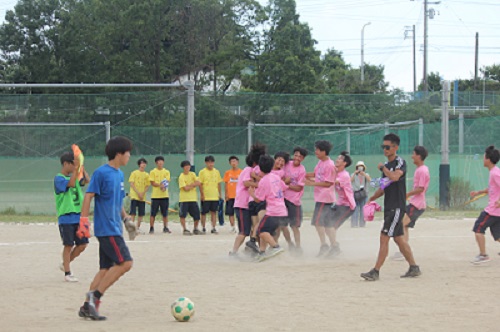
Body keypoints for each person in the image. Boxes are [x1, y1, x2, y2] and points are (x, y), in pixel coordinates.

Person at [77, 136, 134, 320]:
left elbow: (117, 202)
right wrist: (84, 222)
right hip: (106, 228)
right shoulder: (101, 173)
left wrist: (126, 220)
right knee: (126, 263)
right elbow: (88, 196)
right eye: (128, 153)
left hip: (115, 227)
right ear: (119, 154)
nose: (129, 156)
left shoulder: (120, 174)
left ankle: (87, 307)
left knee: (104, 269)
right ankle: (95, 297)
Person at [360, 133, 421, 281]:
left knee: (384, 237)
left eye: (387, 147)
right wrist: (371, 199)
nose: (385, 150)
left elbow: (394, 177)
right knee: (399, 239)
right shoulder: (387, 166)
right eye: (383, 147)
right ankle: (414, 267)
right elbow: (383, 186)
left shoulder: (400, 162)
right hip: (389, 207)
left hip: (397, 207)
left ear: (395, 147)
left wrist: (383, 168)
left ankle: (375, 271)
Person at [54, 151, 89, 282]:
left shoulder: (75, 176)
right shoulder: (59, 178)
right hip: (66, 217)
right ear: (65, 164)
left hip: (79, 217)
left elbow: (87, 181)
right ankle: (68, 273)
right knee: (68, 245)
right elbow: (71, 184)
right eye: (72, 164)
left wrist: (82, 169)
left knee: (83, 245)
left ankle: (65, 263)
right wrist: (76, 171)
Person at [392, 146, 430, 260]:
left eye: (414, 154)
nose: (412, 156)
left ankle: (403, 252)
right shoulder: (420, 169)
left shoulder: (422, 170)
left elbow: (421, 188)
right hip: (415, 203)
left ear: (419, 156)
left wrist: (407, 194)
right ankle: (403, 251)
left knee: (400, 224)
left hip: (417, 204)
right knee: (404, 226)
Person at [249, 154, 287, 261]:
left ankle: (276, 247)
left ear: (260, 168)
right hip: (282, 210)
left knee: (260, 231)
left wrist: (252, 193)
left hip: (273, 211)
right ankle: (262, 252)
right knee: (264, 229)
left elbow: (259, 199)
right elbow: (284, 187)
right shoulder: (276, 177)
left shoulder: (263, 181)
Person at [229, 143, 265, 257]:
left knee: (254, 229)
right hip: (241, 205)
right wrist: (260, 184)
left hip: (248, 205)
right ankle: (233, 252)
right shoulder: (248, 169)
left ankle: (255, 251)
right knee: (244, 231)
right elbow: (246, 182)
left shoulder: (253, 170)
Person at [305, 140, 337, 257]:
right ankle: (334, 246)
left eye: (318, 150)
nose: (316, 152)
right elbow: (315, 175)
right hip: (320, 197)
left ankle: (324, 245)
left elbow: (328, 183)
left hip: (325, 198)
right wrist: (302, 174)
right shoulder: (320, 163)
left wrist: (311, 184)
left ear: (324, 151)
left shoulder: (329, 165)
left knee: (318, 222)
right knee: (327, 225)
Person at [470, 145, 500, 264]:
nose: (483, 160)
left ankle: (483, 255)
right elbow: (492, 188)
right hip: (496, 211)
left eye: (484, 157)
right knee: (497, 235)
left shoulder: (495, 173)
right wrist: (478, 192)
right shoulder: (494, 172)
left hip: (493, 210)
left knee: (478, 228)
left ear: (488, 159)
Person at [324, 151, 356, 257]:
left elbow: (331, 182)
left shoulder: (344, 175)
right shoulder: (336, 172)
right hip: (339, 204)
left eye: (340, 159)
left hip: (347, 206)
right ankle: (335, 246)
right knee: (327, 226)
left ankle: (334, 248)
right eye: (337, 158)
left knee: (331, 226)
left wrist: (312, 181)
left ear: (344, 163)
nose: (337, 160)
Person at [281, 147, 307, 254]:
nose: (297, 157)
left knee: (294, 226)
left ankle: (298, 247)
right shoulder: (287, 164)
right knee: (282, 225)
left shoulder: (302, 170)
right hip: (283, 199)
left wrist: (287, 184)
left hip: (294, 201)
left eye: (300, 156)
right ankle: (290, 243)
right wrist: (284, 182)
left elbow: (299, 188)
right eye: (295, 155)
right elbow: (280, 177)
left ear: (303, 158)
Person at [199, 155, 223, 234]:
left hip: (214, 196)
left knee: (214, 212)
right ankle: (203, 227)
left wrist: (220, 194)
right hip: (206, 196)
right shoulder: (202, 172)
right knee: (203, 212)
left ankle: (213, 227)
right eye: (209, 162)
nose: (210, 164)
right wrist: (202, 194)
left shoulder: (217, 172)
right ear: (206, 163)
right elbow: (200, 184)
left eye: (212, 162)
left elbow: (219, 184)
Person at [148, 156, 171, 234]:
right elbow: (152, 182)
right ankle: (151, 228)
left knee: (165, 213)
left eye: (161, 161)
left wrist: (164, 187)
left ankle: (165, 227)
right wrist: (160, 185)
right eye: (159, 161)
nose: (160, 163)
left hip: (164, 195)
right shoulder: (153, 172)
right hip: (155, 196)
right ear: (156, 163)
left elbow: (167, 181)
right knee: (153, 213)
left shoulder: (166, 172)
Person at [178, 160, 202, 235]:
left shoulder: (193, 174)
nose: (188, 167)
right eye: (186, 166)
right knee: (183, 215)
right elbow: (185, 188)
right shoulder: (181, 176)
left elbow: (198, 182)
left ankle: (195, 228)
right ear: (183, 167)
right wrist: (193, 184)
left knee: (197, 215)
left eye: (189, 166)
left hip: (193, 198)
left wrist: (190, 185)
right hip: (184, 199)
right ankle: (185, 229)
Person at [128, 158, 150, 233]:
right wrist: (138, 193)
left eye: (144, 163)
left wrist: (142, 193)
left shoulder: (147, 175)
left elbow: (147, 185)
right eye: (142, 163)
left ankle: (138, 227)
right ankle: (131, 227)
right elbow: (132, 184)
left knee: (141, 213)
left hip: (142, 197)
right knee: (133, 212)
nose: (143, 165)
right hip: (134, 195)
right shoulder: (134, 173)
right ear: (139, 164)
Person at [223, 156, 242, 234]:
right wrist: (226, 194)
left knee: (239, 213)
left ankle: (240, 227)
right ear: (230, 163)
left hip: (239, 196)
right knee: (230, 212)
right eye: (232, 161)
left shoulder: (242, 172)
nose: (234, 163)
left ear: (238, 162)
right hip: (230, 196)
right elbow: (226, 184)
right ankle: (232, 227)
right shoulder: (227, 173)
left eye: (235, 161)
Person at [350, 161, 371, 228]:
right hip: (355, 193)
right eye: (359, 166)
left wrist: (364, 174)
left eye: (361, 166)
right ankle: (354, 224)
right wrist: (355, 174)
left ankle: (362, 224)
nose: (360, 168)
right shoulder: (353, 174)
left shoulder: (366, 174)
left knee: (363, 210)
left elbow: (370, 180)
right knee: (355, 209)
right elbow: (350, 180)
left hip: (364, 194)